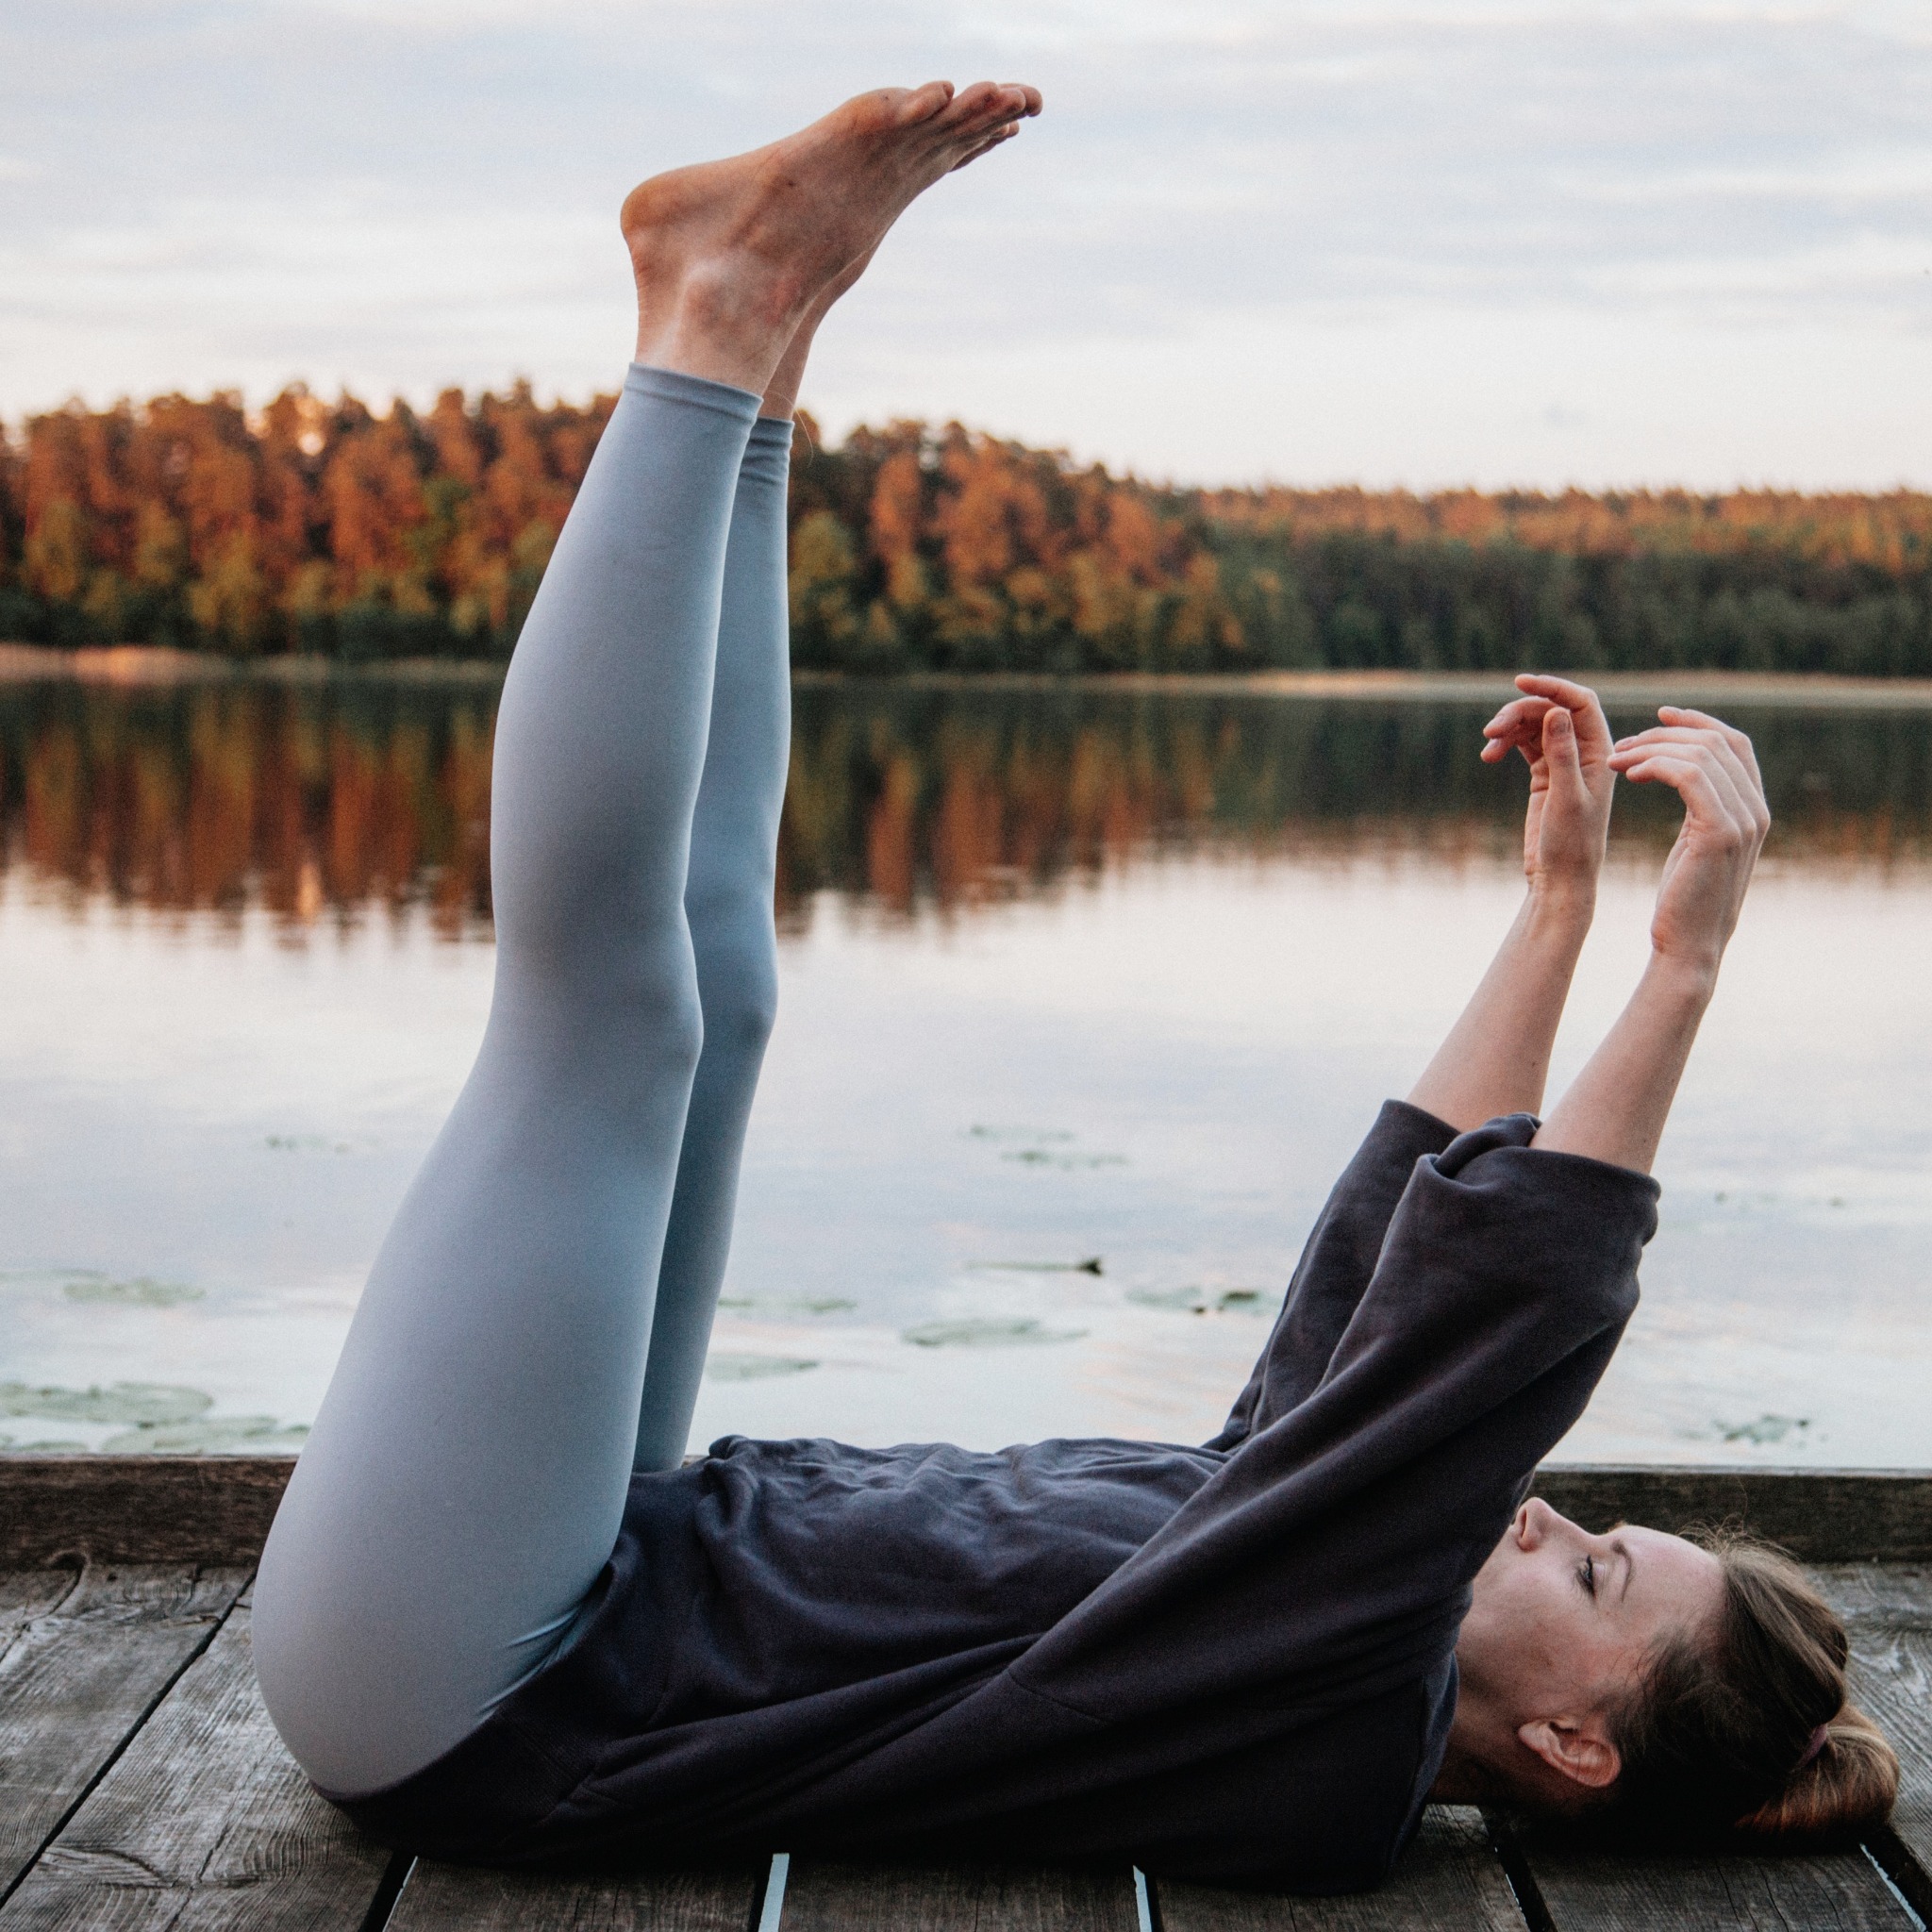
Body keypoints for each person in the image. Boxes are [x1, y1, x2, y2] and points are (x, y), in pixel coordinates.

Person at [250, 83, 1898, 1890]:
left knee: (611, 1034)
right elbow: (1379, 1303)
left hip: (492, 1696)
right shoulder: (1281, 1591)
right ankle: (756, 370)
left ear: (1574, 1747)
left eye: (1591, 1573)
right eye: (1593, 1524)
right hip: (591, 1570)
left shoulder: (1330, 1728)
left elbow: (1490, 1339)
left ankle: (710, 320)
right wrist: (1553, 922)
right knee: (718, 992)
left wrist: (1687, 959)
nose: (1534, 1518)